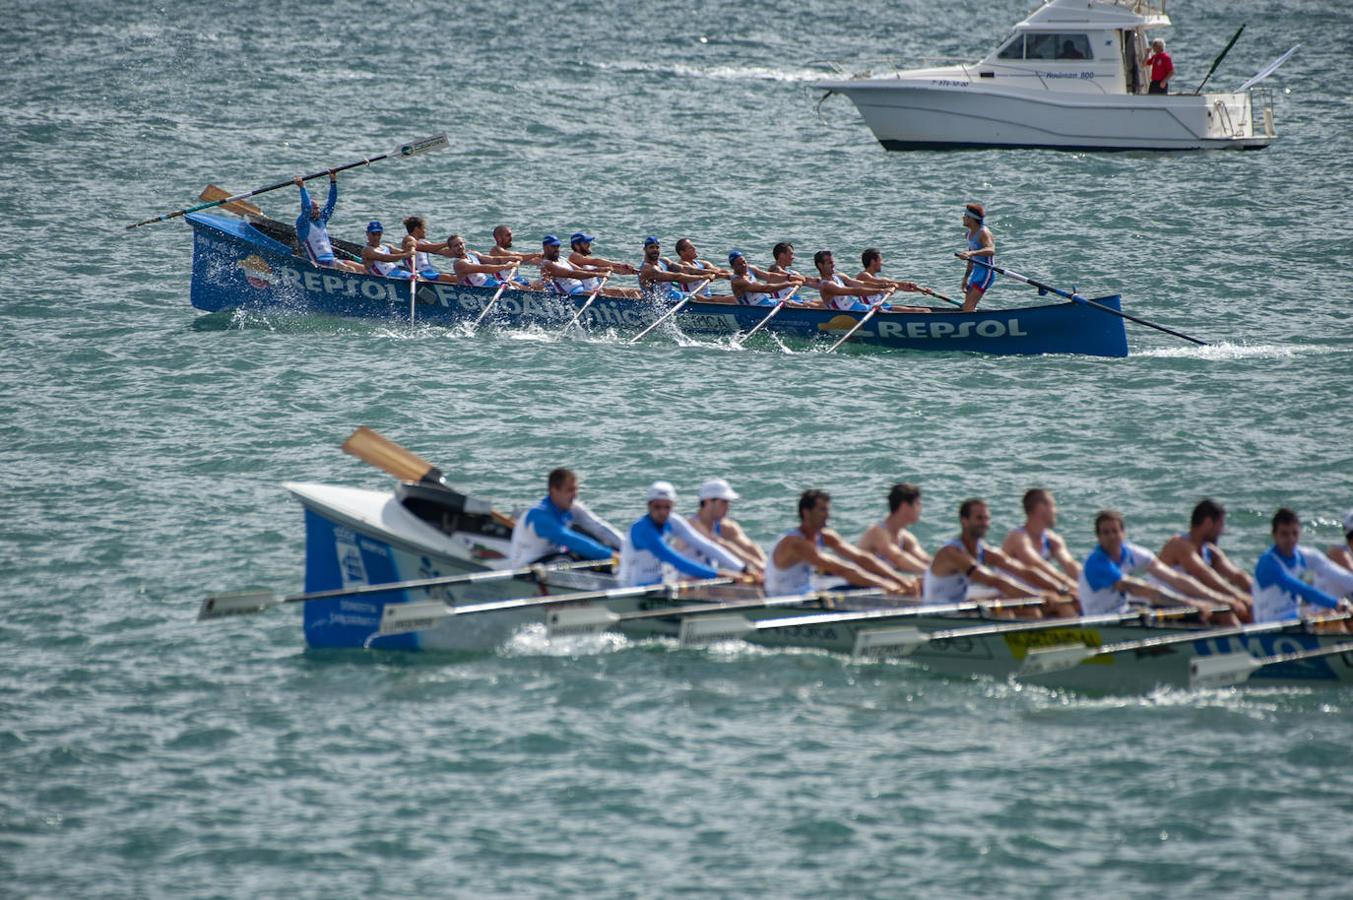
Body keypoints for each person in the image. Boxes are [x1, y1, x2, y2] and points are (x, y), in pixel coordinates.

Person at [1079, 510, 1241, 625]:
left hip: (1124, 612)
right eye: (1105, 533)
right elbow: (1146, 590)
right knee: (1197, 614)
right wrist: (1192, 604)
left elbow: (1175, 578)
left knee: (1220, 611)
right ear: (1098, 537)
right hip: (1101, 622)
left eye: (1115, 531)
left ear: (1123, 533)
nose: (1111, 536)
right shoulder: (1097, 563)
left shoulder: (1131, 553)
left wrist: (1219, 599)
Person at [923, 498, 1074, 617]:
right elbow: (995, 581)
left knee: (1035, 610)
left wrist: (1062, 591)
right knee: (1006, 608)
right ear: (964, 521)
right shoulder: (951, 552)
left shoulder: (985, 551)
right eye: (979, 518)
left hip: (961, 606)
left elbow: (1026, 571)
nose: (985, 523)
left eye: (987, 519)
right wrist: (1038, 596)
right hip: (938, 611)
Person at [765, 489, 915, 596]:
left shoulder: (825, 535)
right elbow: (842, 569)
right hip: (785, 599)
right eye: (822, 510)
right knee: (866, 586)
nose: (828, 515)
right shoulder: (796, 543)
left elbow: (861, 558)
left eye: (828, 510)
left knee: (865, 582)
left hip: (807, 592)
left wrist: (899, 578)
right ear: (806, 512)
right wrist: (885, 584)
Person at [618, 482, 748, 587]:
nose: (662, 512)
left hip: (660, 585)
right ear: (648, 506)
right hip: (633, 587)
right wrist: (719, 575)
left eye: (667, 507)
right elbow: (676, 560)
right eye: (657, 507)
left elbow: (706, 546)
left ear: (673, 506)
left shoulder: (674, 521)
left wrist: (743, 569)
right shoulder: (643, 530)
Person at [1253, 508, 1353, 631]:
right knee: (1333, 616)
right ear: (1274, 535)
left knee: (1338, 616)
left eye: (1294, 533)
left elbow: (1343, 577)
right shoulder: (1268, 562)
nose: (1290, 539)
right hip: (1269, 625)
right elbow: (1301, 589)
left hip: (1295, 620)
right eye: (1284, 534)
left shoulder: (1307, 556)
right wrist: (1337, 604)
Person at [1155, 499, 1254, 621]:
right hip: (1163, 607)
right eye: (1221, 525)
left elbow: (1238, 576)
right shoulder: (1178, 544)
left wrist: (1259, 594)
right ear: (1208, 523)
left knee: (1249, 611)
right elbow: (1204, 574)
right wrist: (1239, 596)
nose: (1222, 531)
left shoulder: (1211, 552)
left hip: (1193, 605)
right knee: (1225, 613)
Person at [508, 467, 623, 568]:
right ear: (554, 491)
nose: (575, 495)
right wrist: (611, 555)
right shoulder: (539, 516)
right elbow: (571, 539)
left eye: (575, 489)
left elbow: (599, 528)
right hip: (527, 566)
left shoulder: (573, 508)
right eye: (569, 490)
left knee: (581, 557)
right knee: (569, 560)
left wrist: (628, 548)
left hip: (555, 557)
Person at [1002, 489, 1081, 591]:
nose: (1056, 511)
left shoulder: (1053, 540)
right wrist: (1072, 587)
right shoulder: (1018, 538)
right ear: (1041, 508)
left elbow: (1070, 564)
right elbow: (1038, 566)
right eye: (1053, 506)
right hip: (1008, 596)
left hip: (1036, 595)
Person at [685, 478, 766, 573]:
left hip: (707, 580)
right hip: (680, 581)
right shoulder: (691, 525)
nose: (728, 507)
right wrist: (758, 567)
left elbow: (749, 548)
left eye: (728, 502)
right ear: (708, 502)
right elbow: (720, 545)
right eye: (724, 502)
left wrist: (768, 567)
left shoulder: (726, 527)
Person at [293, 172, 363, 273]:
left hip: (331, 260)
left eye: (318, 208)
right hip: (320, 263)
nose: (317, 211)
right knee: (350, 270)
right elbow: (307, 207)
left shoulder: (322, 220)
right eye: (314, 209)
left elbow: (331, 202)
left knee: (363, 268)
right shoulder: (302, 223)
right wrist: (302, 187)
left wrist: (333, 181)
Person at [858, 483, 931, 574]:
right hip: (854, 585)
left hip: (880, 583)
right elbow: (897, 557)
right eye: (917, 503)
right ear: (904, 506)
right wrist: (931, 573)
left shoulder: (906, 538)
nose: (920, 509)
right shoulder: (878, 532)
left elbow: (924, 559)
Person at [539, 234, 637, 299]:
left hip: (583, 292)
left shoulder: (563, 259)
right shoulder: (548, 264)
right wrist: (598, 273)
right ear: (545, 248)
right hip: (571, 296)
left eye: (557, 246)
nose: (556, 249)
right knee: (609, 295)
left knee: (630, 292)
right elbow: (572, 274)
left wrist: (603, 269)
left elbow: (581, 270)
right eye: (553, 247)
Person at [812, 249, 897, 311]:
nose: (833, 265)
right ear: (820, 265)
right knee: (889, 310)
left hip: (861, 308)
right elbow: (855, 291)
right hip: (847, 316)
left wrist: (884, 285)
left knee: (893, 309)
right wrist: (880, 291)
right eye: (829, 263)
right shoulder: (826, 285)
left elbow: (861, 284)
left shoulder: (839, 276)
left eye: (833, 262)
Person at [637, 237, 716, 302]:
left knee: (698, 297)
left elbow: (684, 269)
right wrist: (703, 277)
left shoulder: (664, 261)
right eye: (651, 247)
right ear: (645, 249)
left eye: (657, 247)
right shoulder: (647, 268)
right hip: (657, 302)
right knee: (697, 299)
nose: (655, 250)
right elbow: (677, 277)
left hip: (671, 294)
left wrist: (710, 272)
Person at [568, 232, 640, 297]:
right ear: (576, 245)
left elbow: (613, 269)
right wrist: (620, 265)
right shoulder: (574, 256)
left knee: (635, 292)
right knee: (622, 293)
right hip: (587, 295)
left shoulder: (586, 260)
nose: (589, 244)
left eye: (589, 242)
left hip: (598, 291)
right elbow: (596, 261)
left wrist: (632, 271)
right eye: (585, 242)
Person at [854, 248, 926, 308]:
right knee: (924, 311)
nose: (882, 263)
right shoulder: (863, 276)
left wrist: (922, 290)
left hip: (882, 307)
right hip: (872, 309)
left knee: (926, 310)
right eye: (880, 260)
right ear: (873, 261)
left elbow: (901, 287)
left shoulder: (874, 278)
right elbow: (886, 282)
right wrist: (905, 283)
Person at [445, 234, 522, 288]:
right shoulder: (459, 264)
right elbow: (484, 268)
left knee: (517, 285)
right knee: (511, 288)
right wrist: (506, 266)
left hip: (488, 283)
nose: (460, 247)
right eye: (456, 246)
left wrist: (511, 258)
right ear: (451, 249)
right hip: (476, 290)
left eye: (461, 243)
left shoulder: (473, 254)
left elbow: (494, 260)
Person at [727, 251, 803, 306]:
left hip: (766, 302)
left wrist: (789, 277)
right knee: (790, 304)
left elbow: (769, 276)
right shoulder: (738, 281)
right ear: (733, 267)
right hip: (754, 309)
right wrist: (789, 284)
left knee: (800, 304)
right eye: (739, 264)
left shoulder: (750, 268)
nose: (744, 265)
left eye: (744, 262)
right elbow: (765, 289)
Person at [958, 203, 995, 311]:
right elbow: (970, 261)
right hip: (976, 274)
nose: (963, 218)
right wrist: (965, 278)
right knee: (967, 307)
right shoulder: (968, 234)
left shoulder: (984, 232)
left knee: (968, 307)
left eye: (965, 215)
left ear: (971, 219)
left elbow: (991, 250)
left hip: (986, 273)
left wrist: (971, 253)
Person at [399, 216, 454, 283]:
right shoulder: (408, 239)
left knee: (454, 276)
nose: (425, 231)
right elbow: (424, 248)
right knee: (450, 278)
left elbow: (444, 252)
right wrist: (447, 243)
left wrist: (460, 251)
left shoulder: (424, 242)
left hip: (429, 273)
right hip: (418, 274)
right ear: (417, 229)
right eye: (424, 228)